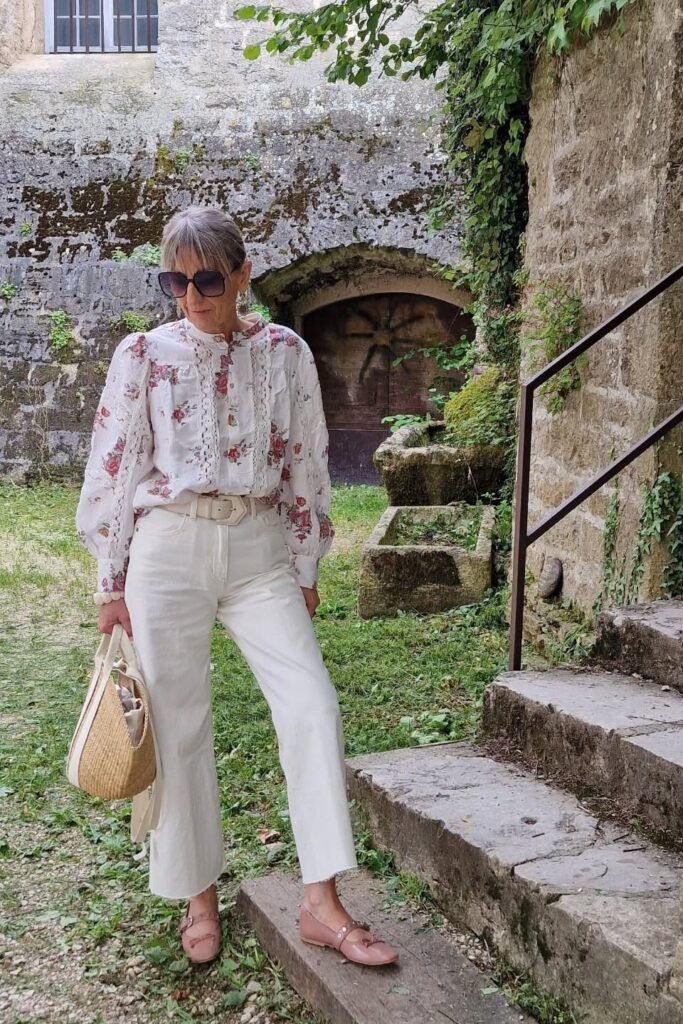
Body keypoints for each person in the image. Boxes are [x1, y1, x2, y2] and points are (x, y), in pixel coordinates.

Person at [75, 206, 398, 969]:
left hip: (258, 550)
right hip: (167, 550)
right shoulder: (144, 355)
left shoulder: (284, 352)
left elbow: (308, 460)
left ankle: (321, 903)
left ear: (243, 275)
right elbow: (115, 468)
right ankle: (197, 895)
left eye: (208, 279)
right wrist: (107, 580)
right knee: (179, 725)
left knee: (311, 705)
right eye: (175, 280)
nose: (191, 294)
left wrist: (307, 562)